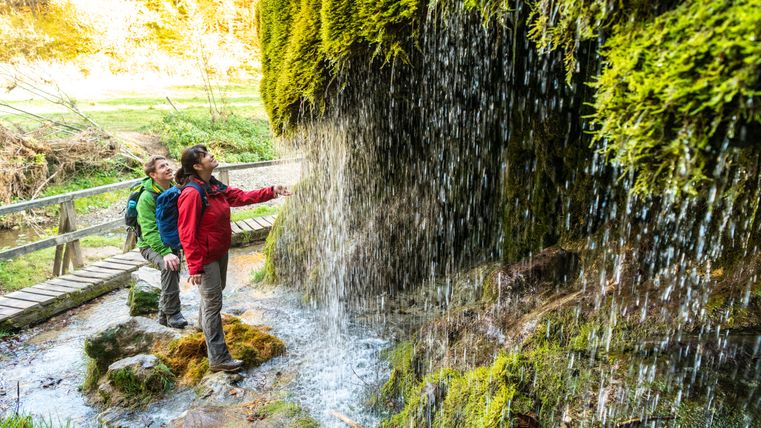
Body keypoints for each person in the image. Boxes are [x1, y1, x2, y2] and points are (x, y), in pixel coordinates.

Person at [175, 144, 292, 372]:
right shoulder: (192, 193)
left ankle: (203, 328)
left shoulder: (212, 185)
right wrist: (195, 267)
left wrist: (273, 190)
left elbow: (240, 197)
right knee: (213, 304)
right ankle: (218, 358)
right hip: (206, 257)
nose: (212, 156)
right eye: (207, 155)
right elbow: (186, 233)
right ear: (197, 166)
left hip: (219, 251)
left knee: (214, 296)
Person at [136, 155, 187, 328]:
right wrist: (165, 253)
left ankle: (163, 318)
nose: (168, 168)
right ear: (153, 174)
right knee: (170, 266)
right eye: (162, 167)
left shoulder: (173, 188)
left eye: (168, 164)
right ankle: (173, 313)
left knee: (172, 271)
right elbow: (149, 231)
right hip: (150, 245)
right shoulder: (147, 198)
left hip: (171, 240)